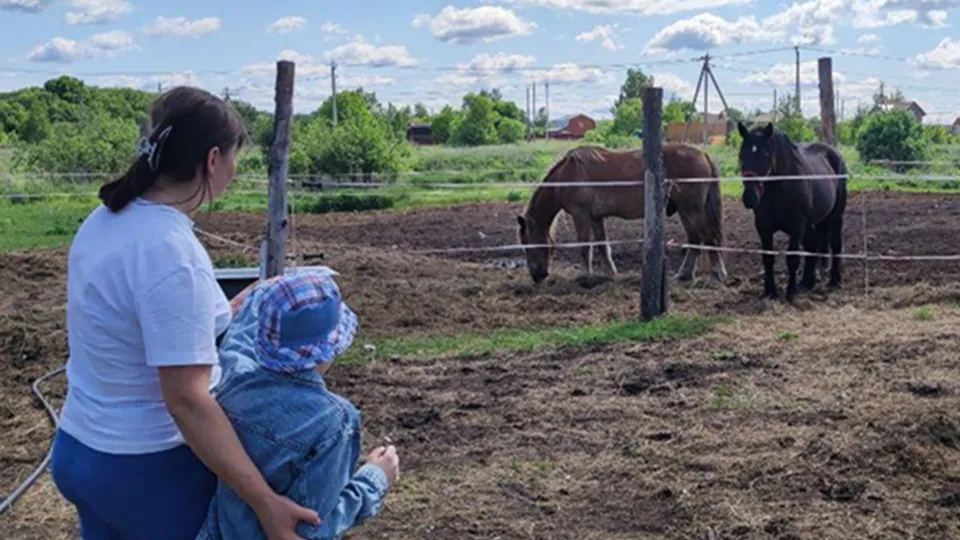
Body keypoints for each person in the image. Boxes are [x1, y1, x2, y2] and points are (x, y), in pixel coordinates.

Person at [50, 86, 321, 540]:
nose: (235, 171)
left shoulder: (106, 220)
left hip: (81, 448)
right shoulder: (172, 253)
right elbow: (187, 399)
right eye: (235, 158)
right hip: (145, 471)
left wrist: (231, 308)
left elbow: (140, 323)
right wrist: (264, 500)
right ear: (213, 160)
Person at [196, 269, 400, 540]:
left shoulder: (233, 376)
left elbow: (242, 339)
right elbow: (311, 527)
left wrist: (263, 293)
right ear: (332, 347)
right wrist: (375, 479)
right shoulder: (333, 422)